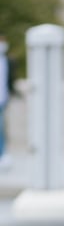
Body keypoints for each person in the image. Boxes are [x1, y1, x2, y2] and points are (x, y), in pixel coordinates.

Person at [0, 35, 16, 168]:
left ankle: (3, 154)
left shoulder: (8, 61)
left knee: (1, 128)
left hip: (2, 100)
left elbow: (10, 81)